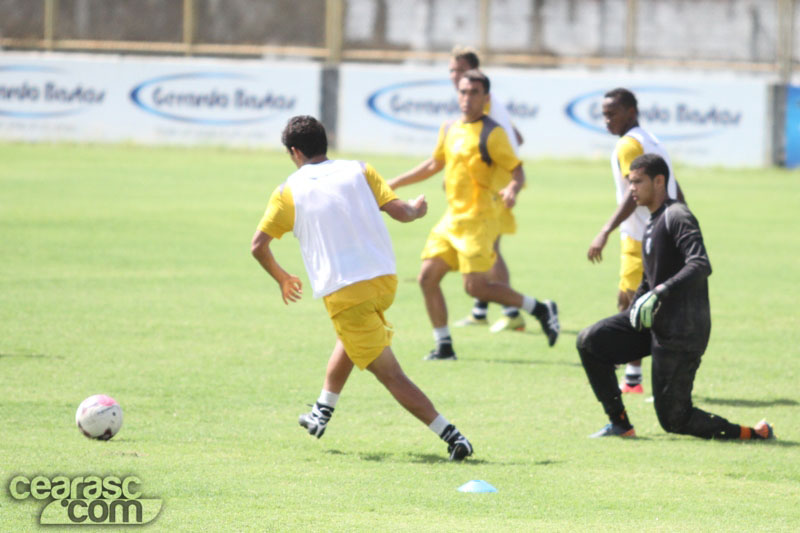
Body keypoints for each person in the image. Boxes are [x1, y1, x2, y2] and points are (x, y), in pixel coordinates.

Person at [251, 115, 473, 460]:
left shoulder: (287, 192)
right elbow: (400, 211)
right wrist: (416, 210)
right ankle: (321, 412)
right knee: (353, 337)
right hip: (384, 280)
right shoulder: (359, 169)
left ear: (295, 152)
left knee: (391, 374)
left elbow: (258, 246)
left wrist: (283, 277)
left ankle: (453, 436)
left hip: (344, 291)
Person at [576, 153, 774, 441]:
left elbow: (700, 263)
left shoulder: (677, 215)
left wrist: (661, 291)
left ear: (659, 181)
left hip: (683, 330)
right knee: (591, 341)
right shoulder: (651, 221)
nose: (631, 188)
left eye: (637, 182)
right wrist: (632, 313)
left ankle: (755, 433)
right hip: (658, 322)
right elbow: (648, 277)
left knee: (674, 419)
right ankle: (620, 425)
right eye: (629, 182)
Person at [389, 70, 559, 360]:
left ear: (486, 98)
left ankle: (540, 309)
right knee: (427, 278)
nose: (467, 98)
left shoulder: (493, 133)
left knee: (475, 288)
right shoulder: (450, 128)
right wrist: (395, 183)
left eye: (474, 93)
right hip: (451, 219)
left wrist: (513, 190)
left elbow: (517, 170)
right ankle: (444, 346)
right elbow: (434, 163)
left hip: (480, 220)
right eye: (463, 92)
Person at [586, 88, 685, 394]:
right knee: (630, 301)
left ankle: (643, 379)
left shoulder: (630, 146)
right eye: (603, 115)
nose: (606, 120)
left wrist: (604, 230)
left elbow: (634, 194)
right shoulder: (649, 140)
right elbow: (674, 186)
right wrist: (684, 223)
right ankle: (634, 378)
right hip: (653, 235)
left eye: (611, 113)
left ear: (630, 111)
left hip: (643, 237)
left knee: (636, 306)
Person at [447, 47, 527, 333]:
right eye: (452, 71)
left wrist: (509, 181)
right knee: (484, 250)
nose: (454, 76)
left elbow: (507, 139)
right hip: (493, 182)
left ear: (472, 71)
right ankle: (481, 310)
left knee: (489, 249)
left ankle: (512, 312)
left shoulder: (483, 104)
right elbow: (518, 136)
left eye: (459, 70)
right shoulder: (484, 102)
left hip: (497, 185)